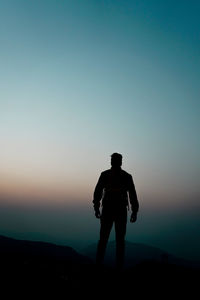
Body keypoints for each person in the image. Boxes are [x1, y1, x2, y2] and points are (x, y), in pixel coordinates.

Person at [93, 153, 139, 270]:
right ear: (121, 162)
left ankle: (99, 265)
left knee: (104, 239)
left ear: (112, 162)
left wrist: (97, 207)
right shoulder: (126, 176)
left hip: (109, 210)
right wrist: (134, 211)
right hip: (119, 211)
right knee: (119, 241)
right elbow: (132, 195)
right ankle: (118, 267)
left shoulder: (105, 175)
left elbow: (98, 192)